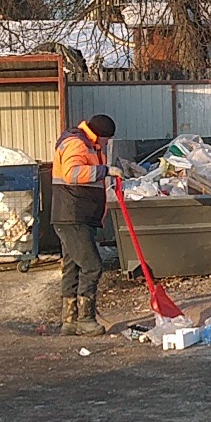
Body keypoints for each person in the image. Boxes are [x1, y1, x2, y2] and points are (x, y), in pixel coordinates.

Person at [51, 115, 123, 336]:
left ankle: (70, 321)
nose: (106, 144)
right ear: (100, 136)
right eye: (107, 140)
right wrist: (106, 171)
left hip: (74, 215)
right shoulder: (77, 143)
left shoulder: (84, 142)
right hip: (73, 216)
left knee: (73, 267)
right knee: (92, 265)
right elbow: (72, 174)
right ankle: (85, 319)